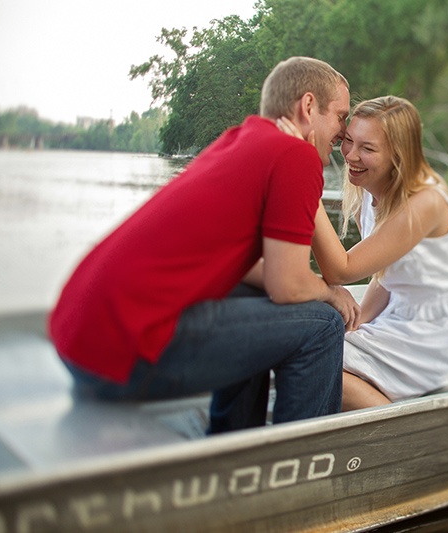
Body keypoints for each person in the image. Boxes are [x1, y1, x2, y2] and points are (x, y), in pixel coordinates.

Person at [48, 56, 360, 433]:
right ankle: (299, 463)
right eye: (341, 116)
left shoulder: (240, 140)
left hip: (78, 338)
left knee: (262, 300)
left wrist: (304, 287)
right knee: (322, 325)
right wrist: (330, 293)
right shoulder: (295, 156)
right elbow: (289, 284)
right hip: (119, 360)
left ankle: (233, 438)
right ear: (308, 107)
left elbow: (256, 272)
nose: (343, 131)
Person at [279, 95, 448, 411]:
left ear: (398, 156)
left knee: (317, 358)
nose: (350, 155)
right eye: (348, 141)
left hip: (444, 330)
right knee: (311, 341)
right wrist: (359, 320)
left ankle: (399, 429)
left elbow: (342, 270)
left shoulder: (425, 202)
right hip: (401, 312)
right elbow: (384, 273)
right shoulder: (371, 187)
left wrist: (301, 171)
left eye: (368, 148)